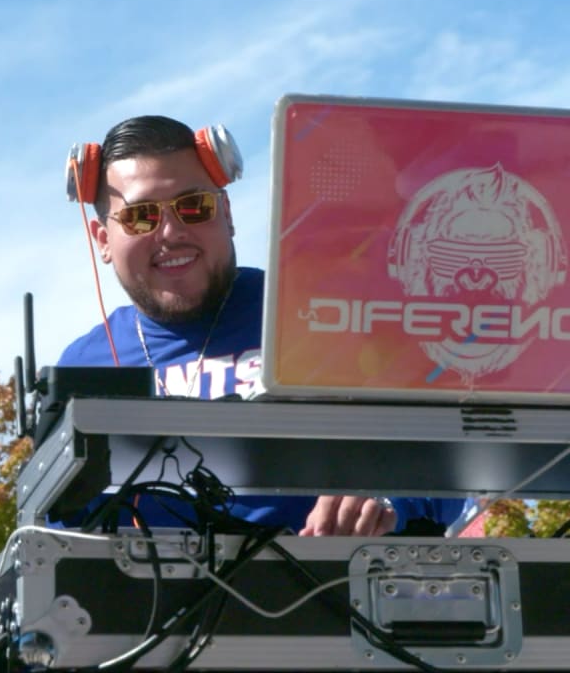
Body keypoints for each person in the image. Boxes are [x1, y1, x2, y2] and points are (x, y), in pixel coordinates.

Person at [60, 115, 463, 536]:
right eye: (141, 217)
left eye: (194, 206)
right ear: (103, 240)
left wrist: (384, 498)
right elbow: (55, 528)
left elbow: (454, 459)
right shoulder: (82, 366)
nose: (172, 231)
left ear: (227, 214)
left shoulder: (330, 314)